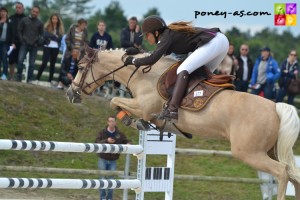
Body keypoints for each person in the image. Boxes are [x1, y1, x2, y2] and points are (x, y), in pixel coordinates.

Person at [124, 15, 229, 121]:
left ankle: (172, 109)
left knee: (183, 69)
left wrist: (134, 61)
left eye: (147, 35)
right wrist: (139, 52)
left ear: (156, 33)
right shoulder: (167, 35)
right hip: (220, 42)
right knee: (199, 76)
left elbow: (152, 59)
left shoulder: (166, 37)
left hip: (214, 42)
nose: (146, 38)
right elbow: (155, 54)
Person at [95, 115, 129, 200]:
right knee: (102, 178)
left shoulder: (119, 134)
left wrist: (129, 143)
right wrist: (106, 141)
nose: (111, 123)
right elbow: (96, 142)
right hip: (103, 159)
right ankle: (102, 198)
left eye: (113, 121)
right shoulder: (102, 132)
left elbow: (126, 141)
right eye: (110, 121)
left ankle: (109, 198)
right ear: (107, 122)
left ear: (115, 122)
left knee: (111, 180)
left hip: (113, 160)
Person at [16, 5, 43, 83]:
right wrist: (22, 40)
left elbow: (42, 34)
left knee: (32, 64)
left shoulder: (40, 23)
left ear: (38, 13)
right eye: (34, 11)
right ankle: (18, 78)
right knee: (20, 61)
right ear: (31, 11)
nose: (35, 13)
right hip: (24, 44)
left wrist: (38, 42)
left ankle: (29, 79)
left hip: (34, 46)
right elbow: (19, 31)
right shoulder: (24, 20)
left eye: (37, 12)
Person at [36, 13, 64, 84]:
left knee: (53, 63)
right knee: (44, 62)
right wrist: (54, 37)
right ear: (51, 19)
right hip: (47, 46)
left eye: (56, 19)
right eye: (53, 18)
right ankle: (37, 78)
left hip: (55, 47)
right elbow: (45, 35)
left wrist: (51, 36)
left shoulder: (60, 29)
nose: (54, 20)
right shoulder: (47, 27)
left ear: (58, 20)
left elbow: (59, 39)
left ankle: (50, 80)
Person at [8, 1, 26, 81]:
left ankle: (18, 78)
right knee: (11, 60)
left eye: (19, 7)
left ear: (23, 9)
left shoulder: (26, 19)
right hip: (12, 43)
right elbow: (9, 31)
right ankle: (11, 77)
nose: (18, 9)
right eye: (16, 7)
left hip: (22, 43)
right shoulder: (11, 18)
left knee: (20, 61)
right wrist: (11, 42)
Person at [0, 7, 11, 80]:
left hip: (5, 43)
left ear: (7, 13)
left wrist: (12, 42)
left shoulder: (9, 22)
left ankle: (4, 74)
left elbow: (12, 33)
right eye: (1, 11)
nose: (3, 13)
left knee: (4, 59)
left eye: (4, 11)